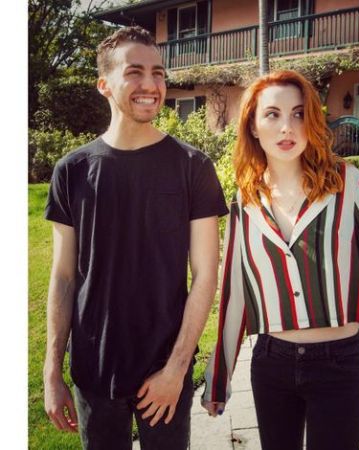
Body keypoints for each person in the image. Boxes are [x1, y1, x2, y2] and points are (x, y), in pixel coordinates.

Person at [201, 70, 359, 450]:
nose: (287, 126)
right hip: (271, 365)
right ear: (253, 126)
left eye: (299, 113)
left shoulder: (346, 182)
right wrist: (219, 376)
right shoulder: (245, 199)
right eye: (272, 114)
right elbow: (235, 292)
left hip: (339, 365)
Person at [43, 26, 228, 450]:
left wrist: (176, 370)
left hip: (164, 370)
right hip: (93, 370)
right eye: (135, 72)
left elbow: (205, 275)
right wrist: (52, 371)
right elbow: (64, 276)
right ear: (104, 85)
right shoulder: (71, 171)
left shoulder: (192, 166)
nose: (151, 84)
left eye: (158, 73)